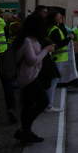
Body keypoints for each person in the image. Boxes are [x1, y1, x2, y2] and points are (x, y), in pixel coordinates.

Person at [13, 13, 55, 143]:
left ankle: (26, 132)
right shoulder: (27, 40)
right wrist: (46, 50)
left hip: (32, 76)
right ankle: (24, 130)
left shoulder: (33, 39)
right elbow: (32, 60)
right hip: (27, 78)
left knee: (28, 105)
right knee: (43, 101)